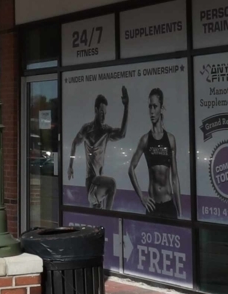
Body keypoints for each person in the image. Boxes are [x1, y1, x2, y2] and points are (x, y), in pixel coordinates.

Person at [68, 87, 129, 210]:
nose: (103, 116)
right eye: (101, 112)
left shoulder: (106, 131)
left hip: (98, 183)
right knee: (111, 184)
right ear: (96, 110)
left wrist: (126, 107)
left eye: (105, 113)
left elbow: (122, 134)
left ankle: (105, 217)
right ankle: (109, 216)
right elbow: (74, 143)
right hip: (91, 182)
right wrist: (70, 165)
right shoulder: (87, 129)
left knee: (97, 215)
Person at [128, 87, 181, 220]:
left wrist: (180, 212)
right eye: (150, 107)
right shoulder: (145, 140)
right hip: (153, 206)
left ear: (161, 108)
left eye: (155, 106)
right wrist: (142, 197)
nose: (152, 111)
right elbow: (131, 169)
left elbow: (175, 178)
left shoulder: (170, 139)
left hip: (169, 204)